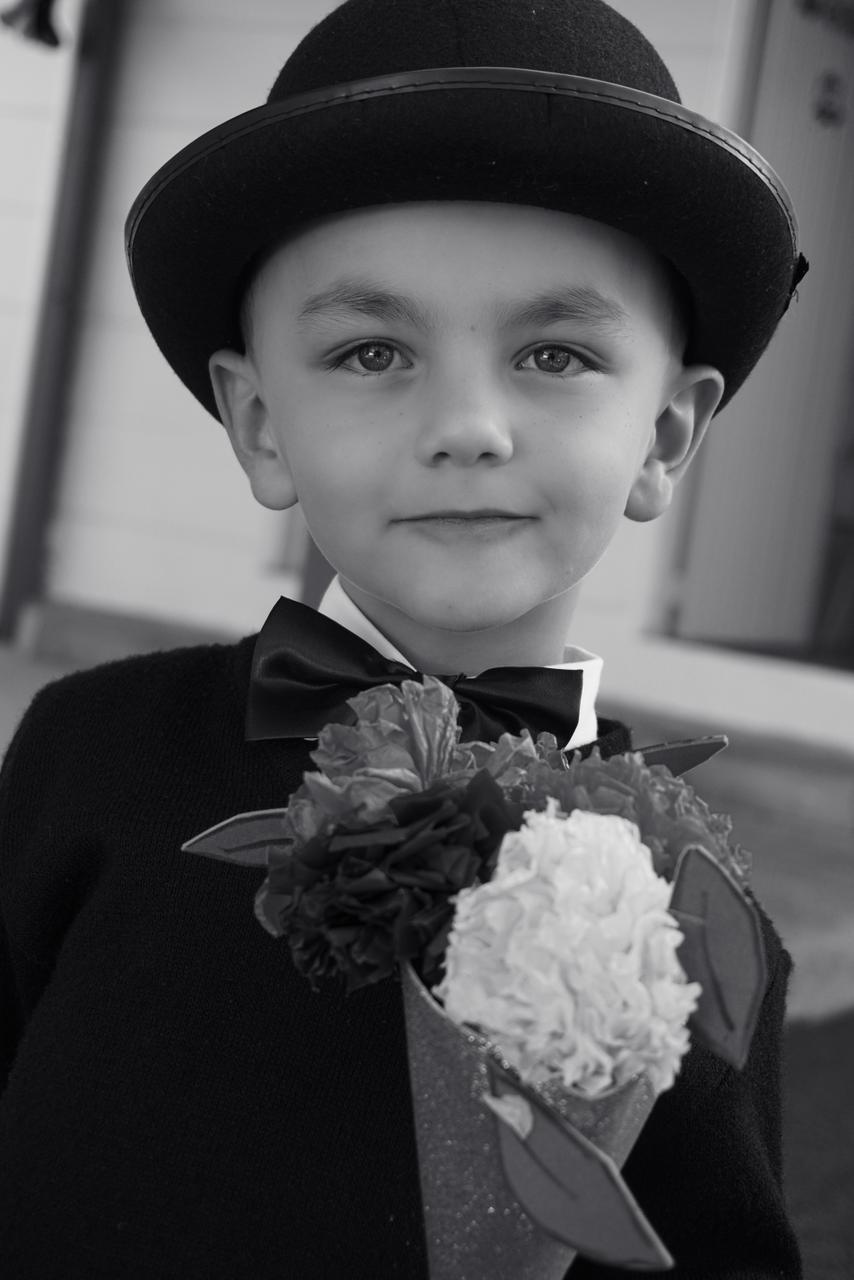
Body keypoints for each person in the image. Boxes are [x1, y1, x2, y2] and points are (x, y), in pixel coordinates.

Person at [0, 0, 807, 1275]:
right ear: (260, 423)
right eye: (371, 350)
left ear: (663, 437)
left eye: (554, 352)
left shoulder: (690, 908)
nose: (467, 426)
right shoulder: (87, 748)